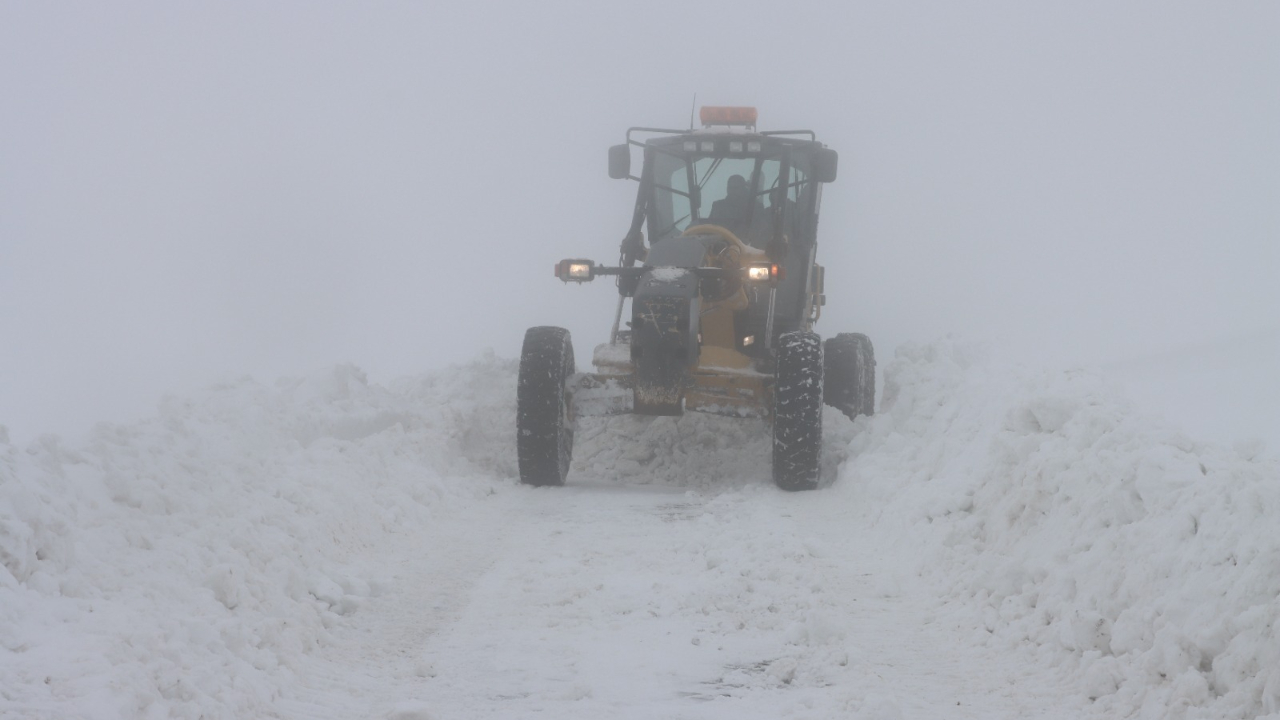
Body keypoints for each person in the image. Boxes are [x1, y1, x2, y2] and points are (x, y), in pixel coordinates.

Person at [708, 174, 757, 239]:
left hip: (743, 246)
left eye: (736, 188)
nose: (732, 191)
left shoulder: (754, 207)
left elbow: (756, 232)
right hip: (718, 244)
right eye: (730, 188)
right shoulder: (717, 206)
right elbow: (708, 226)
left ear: (743, 189)